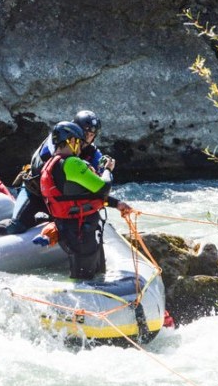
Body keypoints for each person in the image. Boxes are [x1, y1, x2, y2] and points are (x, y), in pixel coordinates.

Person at [39, 121, 131, 280]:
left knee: (93, 272)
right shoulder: (71, 163)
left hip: (71, 228)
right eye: (79, 142)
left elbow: (81, 196)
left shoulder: (52, 164)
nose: (80, 147)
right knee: (84, 276)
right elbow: (104, 187)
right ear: (71, 141)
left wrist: (117, 204)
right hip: (80, 229)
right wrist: (108, 169)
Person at [8, 109, 112, 234]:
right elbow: (54, 164)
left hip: (61, 200)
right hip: (35, 192)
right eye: (84, 132)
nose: (86, 137)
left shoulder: (93, 153)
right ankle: (39, 221)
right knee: (15, 226)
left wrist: (104, 170)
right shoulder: (58, 141)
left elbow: (103, 183)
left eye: (91, 135)